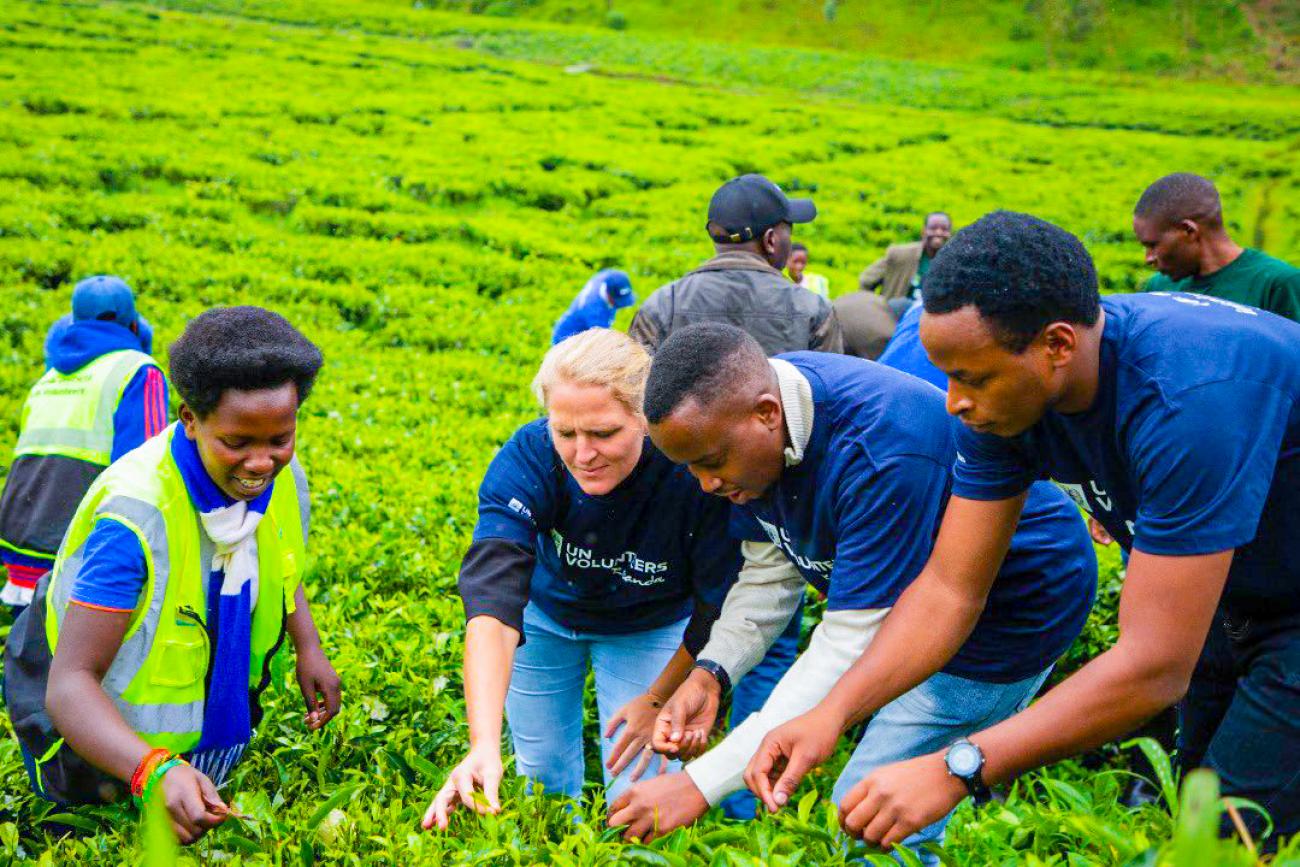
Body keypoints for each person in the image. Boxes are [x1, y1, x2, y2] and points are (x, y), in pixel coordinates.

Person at [753, 211, 1300, 852]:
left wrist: (962, 765)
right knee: (1202, 810)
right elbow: (951, 591)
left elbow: (1153, 666)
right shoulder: (1003, 408)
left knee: (1228, 838)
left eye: (972, 377)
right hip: (1228, 598)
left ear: (1057, 346)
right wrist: (832, 712)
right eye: (948, 374)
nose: (953, 400)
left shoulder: (1189, 401)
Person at [607, 323, 1096, 863]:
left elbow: (847, 647)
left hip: (1013, 607)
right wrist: (714, 671)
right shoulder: (745, 421)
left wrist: (697, 785)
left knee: (870, 813)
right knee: (871, 797)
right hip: (908, 597)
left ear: (767, 414)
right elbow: (770, 568)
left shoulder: (877, 453)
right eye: (691, 468)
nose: (705, 485)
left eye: (711, 463)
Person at [3, 306, 341, 844]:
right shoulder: (136, 515)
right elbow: (68, 686)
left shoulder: (285, 478)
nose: (261, 462)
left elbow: (280, 562)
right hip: (99, 761)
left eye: (280, 438)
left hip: (200, 740)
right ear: (188, 419)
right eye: (237, 443)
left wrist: (308, 645)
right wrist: (152, 770)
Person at [422, 329, 740, 831]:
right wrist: (482, 744)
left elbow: (715, 607)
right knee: (541, 779)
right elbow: (493, 595)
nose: (583, 454)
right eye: (565, 433)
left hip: (652, 627)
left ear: (645, 418)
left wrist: (659, 698)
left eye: (604, 433)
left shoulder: (686, 469)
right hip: (547, 618)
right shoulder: (529, 455)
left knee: (645, 792)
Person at [0, 276, 169, 613]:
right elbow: (146, 464)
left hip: (21, 538)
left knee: (29, 656)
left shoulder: (48, 378)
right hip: (78, 542)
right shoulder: (138, 369)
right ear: (134, 324)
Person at [628, 174, 842, 355]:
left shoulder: (662, 305)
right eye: (789, 229)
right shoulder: (815, 311)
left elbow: (631, 395)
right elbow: (831, 399)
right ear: (770, 240)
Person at [1135, 173, 1300, 321]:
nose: (1148, 258)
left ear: (1189, 231)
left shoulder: (1278, 285)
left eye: (1153, 245)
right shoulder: (1158, 289)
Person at [859, 212, 953, 317]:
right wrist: (876, 310)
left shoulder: (954, 263)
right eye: (933, 228)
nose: (938, 232)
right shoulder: (900, 255)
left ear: (950, 233)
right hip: (896, 317)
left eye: (944, 229)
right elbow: (866, 280)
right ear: (923, 231)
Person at [551, 269, 636, 344]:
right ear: (609, 295)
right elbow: (603, 342)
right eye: (618, 302)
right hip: (566, 339)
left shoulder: (607, 277)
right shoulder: (595, 313)